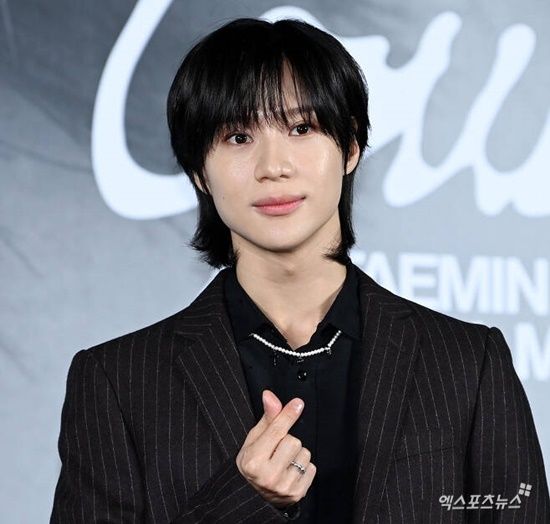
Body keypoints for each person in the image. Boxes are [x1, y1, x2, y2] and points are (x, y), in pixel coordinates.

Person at [50, 17, 549, 524]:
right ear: (199, 169)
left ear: (350, 147)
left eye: (301, 128)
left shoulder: (467, 362)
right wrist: (243, 500)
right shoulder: (118, 382)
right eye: (239, 136)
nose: (274, 166)